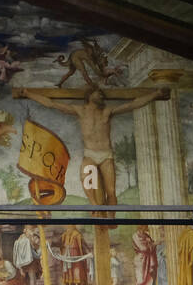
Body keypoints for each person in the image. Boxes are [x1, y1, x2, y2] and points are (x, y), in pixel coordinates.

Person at [15, 85, 167, 206]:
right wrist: (28, 93)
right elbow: (51, 104)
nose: (101, 95)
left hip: (106, 155)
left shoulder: (108, 111)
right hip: (90, 155)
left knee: (111, 191)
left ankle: (111, 218)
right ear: (89, 96)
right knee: (87, 181)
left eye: (102, 93)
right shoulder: (80, 111)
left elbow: (133, 104)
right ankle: (95, 208)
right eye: (98, 92)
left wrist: (156, 94)